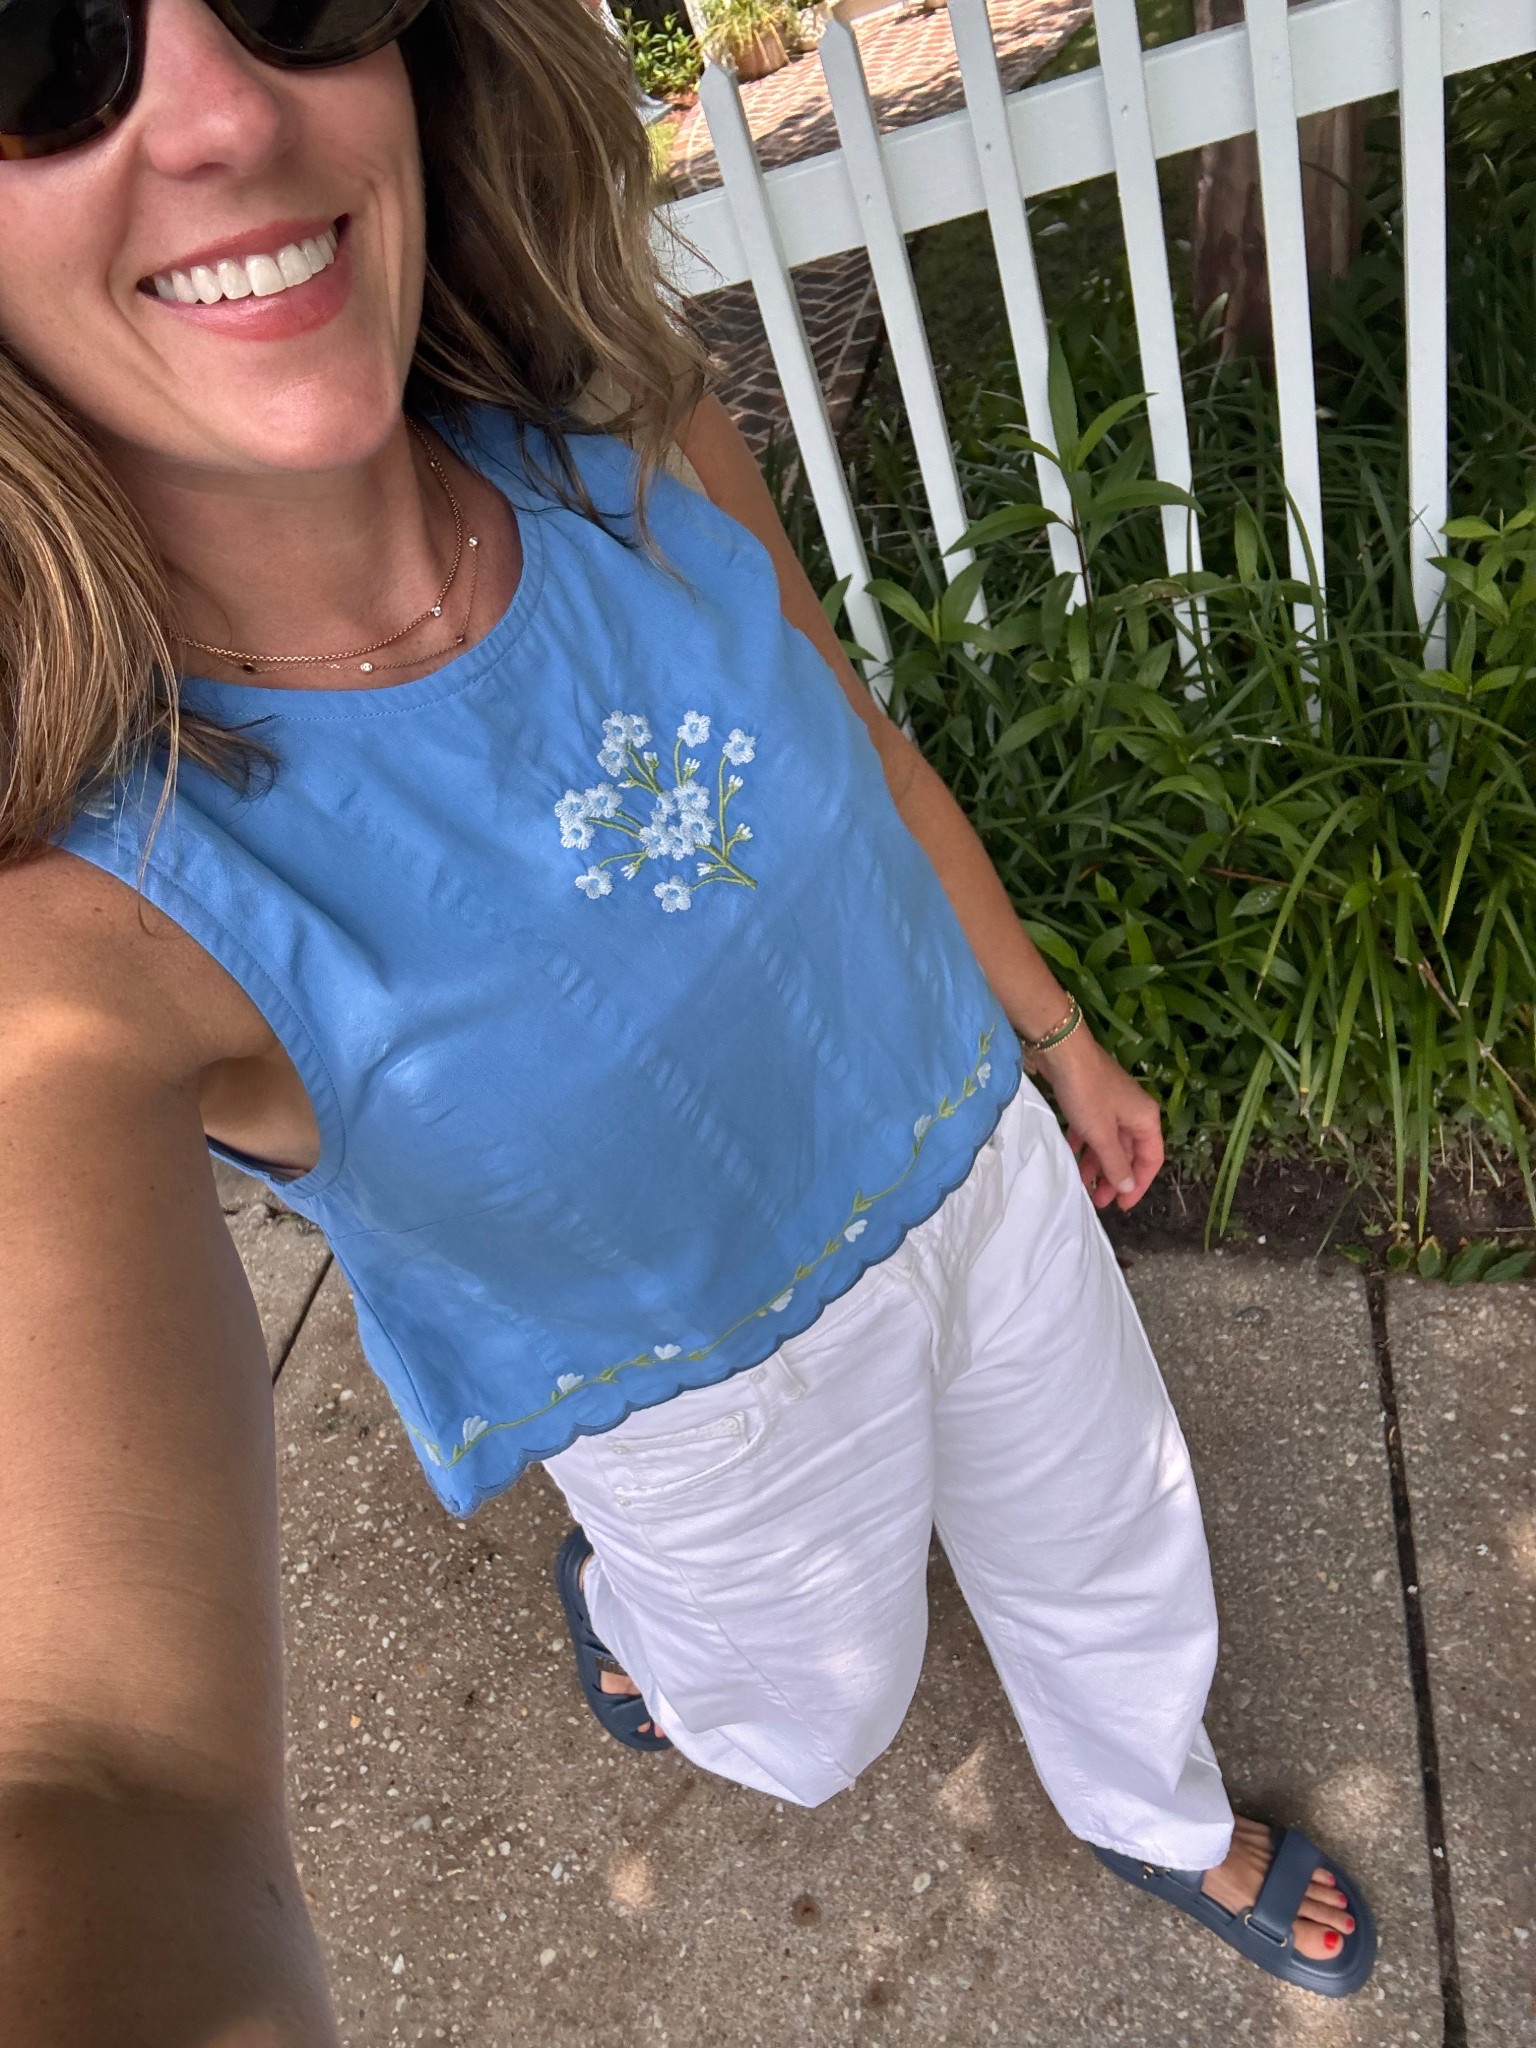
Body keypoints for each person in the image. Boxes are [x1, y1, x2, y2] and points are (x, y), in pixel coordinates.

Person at [0, 0, 1376, 2037]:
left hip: (971, 1165)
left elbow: (859, 738)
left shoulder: (626, 446)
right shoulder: (93, 928)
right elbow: (100, 1772)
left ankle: (1155, 1807)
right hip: (690, 1392)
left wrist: (1054, 1033)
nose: (218, 112)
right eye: (43, 49)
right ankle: (637, 1611)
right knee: (813, 1715)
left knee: (1114, 1537)